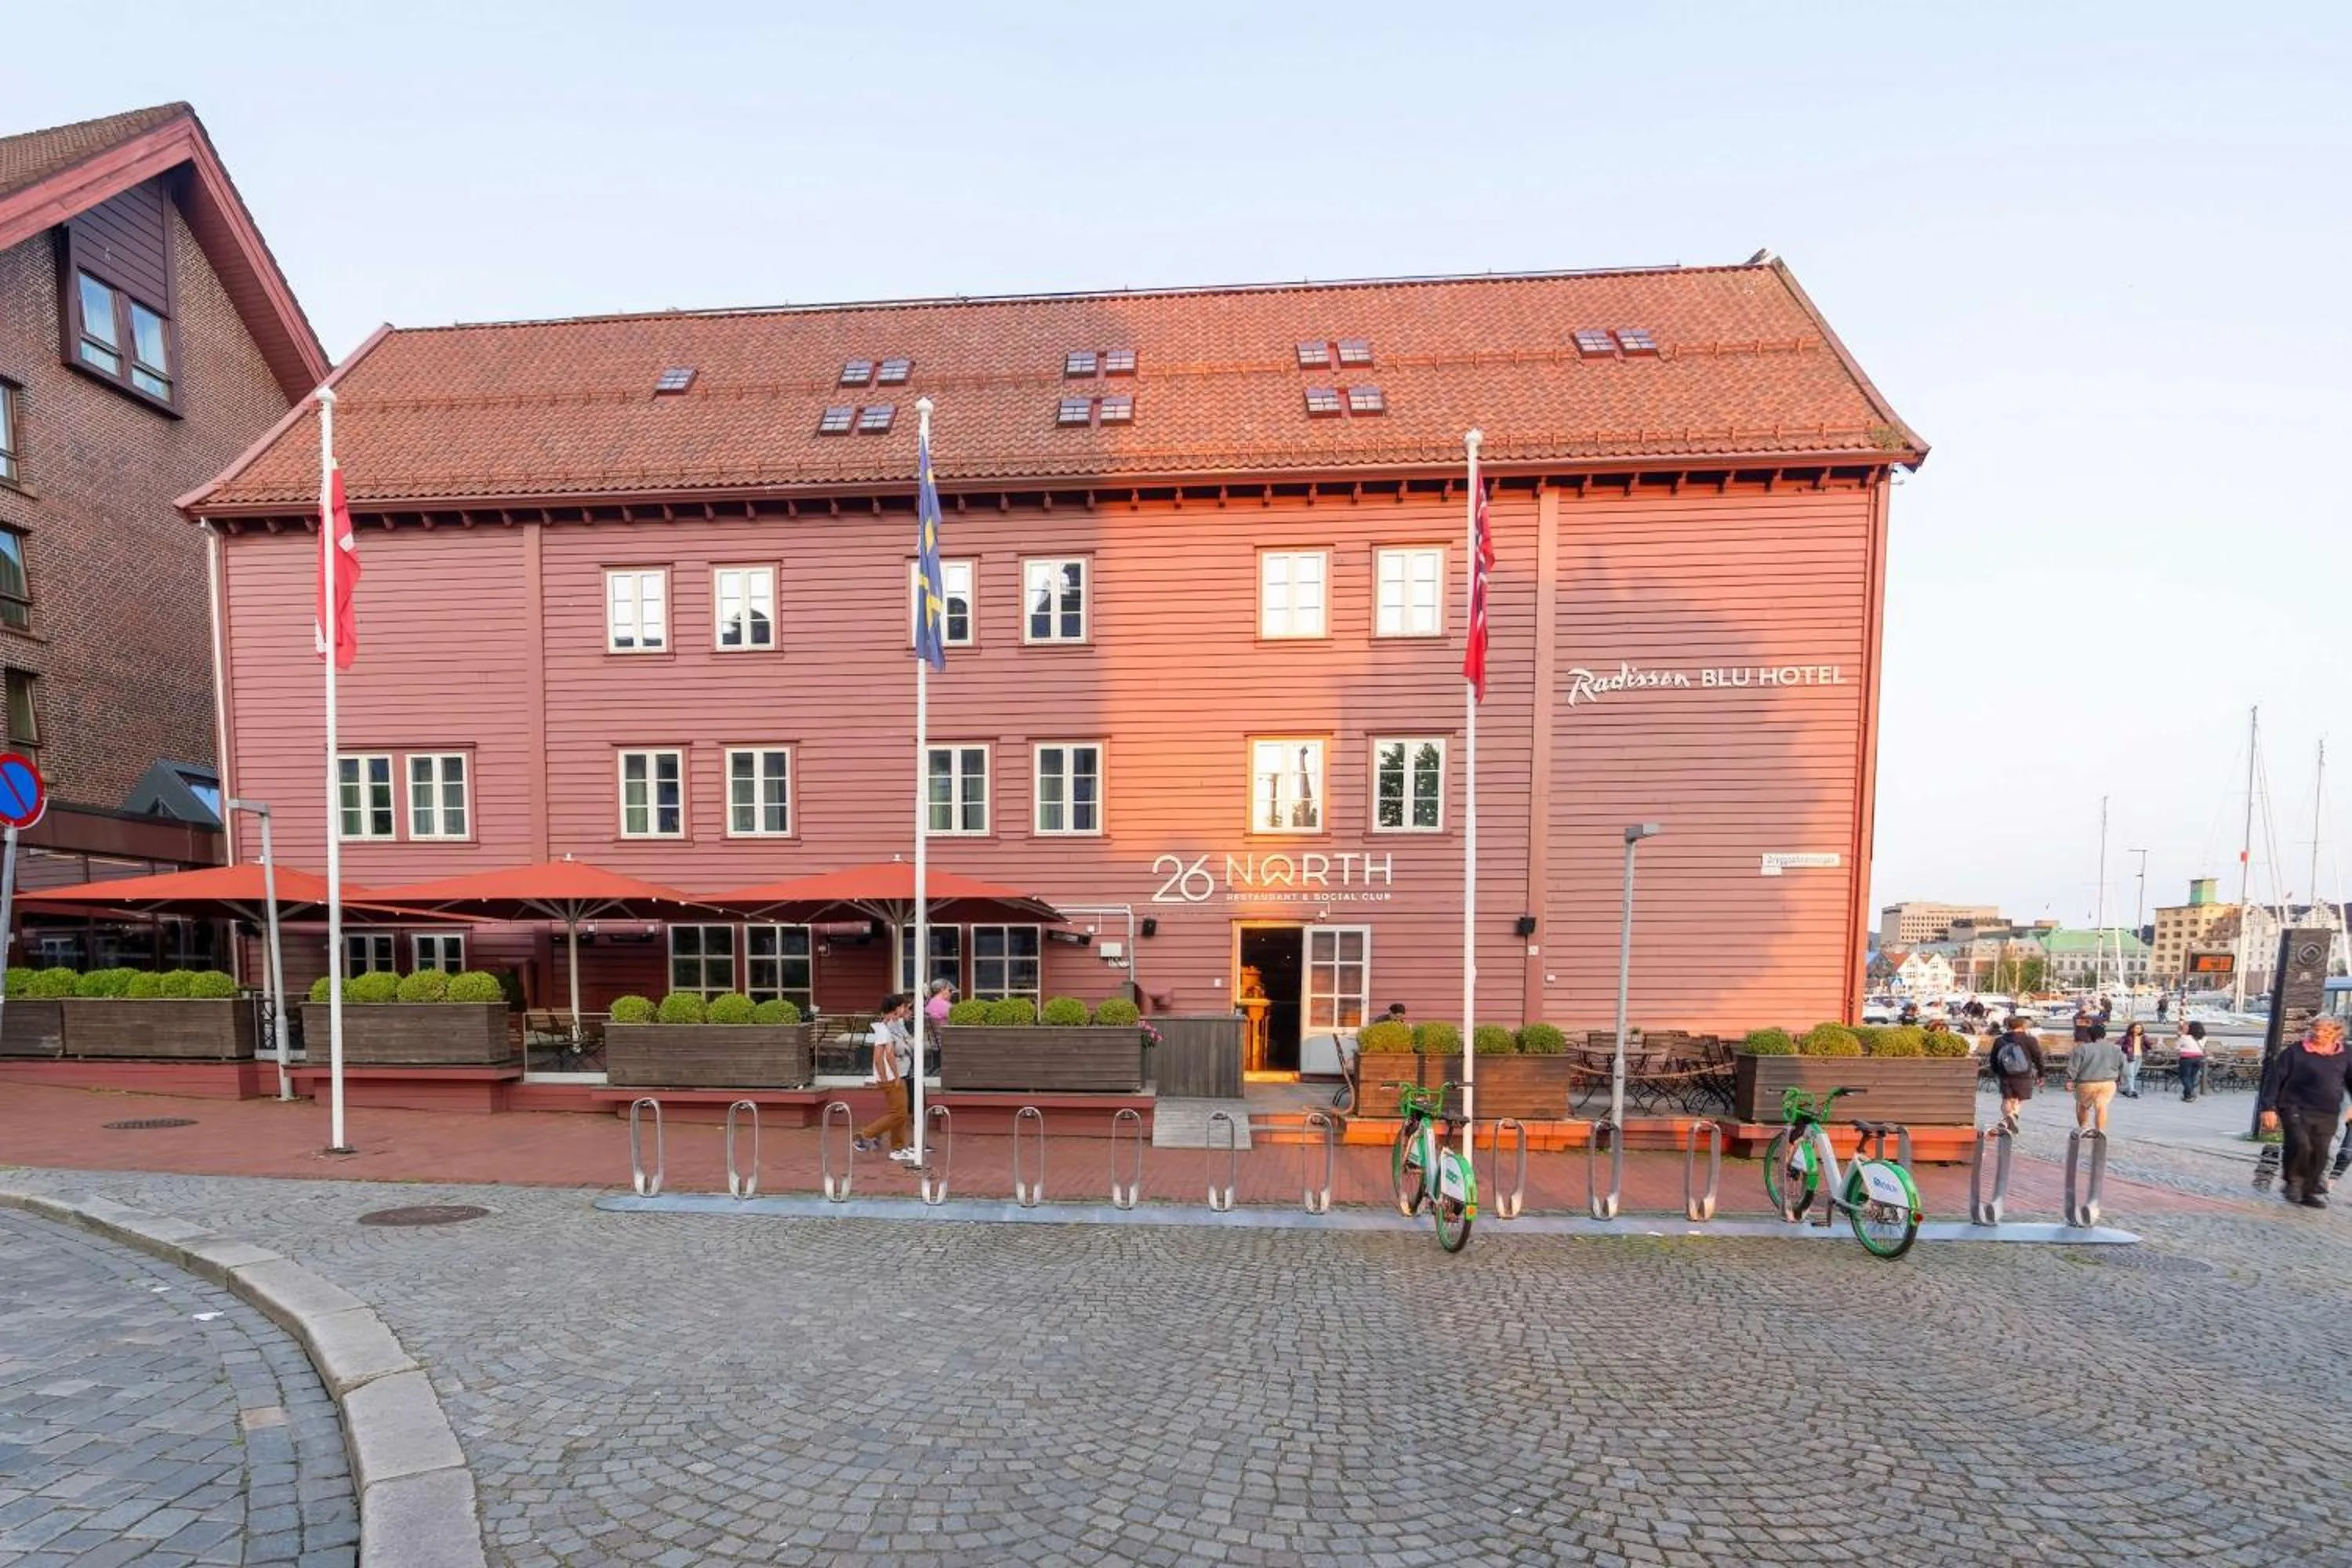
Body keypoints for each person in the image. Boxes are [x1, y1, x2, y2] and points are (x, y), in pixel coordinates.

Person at [2256, 1017, 2352, 1208]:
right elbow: (2275, 1080)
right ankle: (2294, 1183)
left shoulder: (2346, 1054)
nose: (2319, 1034)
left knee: (2321, 1151)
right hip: (2294, 1106)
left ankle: (2308, 1190)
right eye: (2316, 1029)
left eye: (2326, 1031)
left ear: (2337, 1033)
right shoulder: (2295, 1052)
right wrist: (2268, 1107)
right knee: (2300, 1144)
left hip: (2328, 1110)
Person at [854, 995, 919, 1163]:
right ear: (897, 1008)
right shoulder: (884, 1028)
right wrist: (888, 1078)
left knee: (901, 1113)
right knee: (898, 1113)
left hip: (894, 1076)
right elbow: (881, 1057)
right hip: (891, 1078)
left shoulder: (890, 1025)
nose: (906, 1010)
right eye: (903, 1007)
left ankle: (898, 1148)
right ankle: (864, 1135)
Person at [1990, 1016, 2045, 1134]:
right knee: (2019, 1099)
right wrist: (2041, 1075)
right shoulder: (2030, 1040)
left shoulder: (2000, 1040)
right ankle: (2012, 1116)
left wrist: (1997, 1072)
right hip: (2023, 1074)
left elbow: (1993, 1059)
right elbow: (2038, 1058)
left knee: (2007, 1099)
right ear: (2023, 1026)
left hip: (2005, 1074)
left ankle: (2007, 1120)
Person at [2067, 1022, 2125, 1133]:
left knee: (2083, 1105)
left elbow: (2074, 1066)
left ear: (2089, 1036)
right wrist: (2120, 1080)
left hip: (2086, 1083)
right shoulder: (2116, 1049)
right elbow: (2123, 1066)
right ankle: (2100, 1131)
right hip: (2108, 1082)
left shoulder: (2082, 1049)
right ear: (2104, 1035)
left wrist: (2070, 1079)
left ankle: (2084, 1128)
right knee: (2102, 1106)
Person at [2173, 1019, 2206, 1102]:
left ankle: (2191, 1093)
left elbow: (2176, 1047)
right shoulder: (2204, 1038)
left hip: (2186, 1059)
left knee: (2184, 1076)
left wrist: (2181, 1037)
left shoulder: (2185, 1037)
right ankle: (2187, 1095)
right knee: (2192, 1077)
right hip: (2199, 1058)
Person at [2116, 1021, 2149, 1098]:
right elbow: (2118, 1043)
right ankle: (2132, 1090)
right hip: (2130, 1056)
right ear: (2132, 1029)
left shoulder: (2143, 1037)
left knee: (2134, 1073)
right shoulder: (2127, 1037)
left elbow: (2149, 1046)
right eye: (2136, 1028)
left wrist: (2146, 1043)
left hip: (2139, 1056)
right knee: (2130, 1074)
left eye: (2140, 1028)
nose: (2138, 1029)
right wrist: (2126, 1047)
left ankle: (2125, 1088)